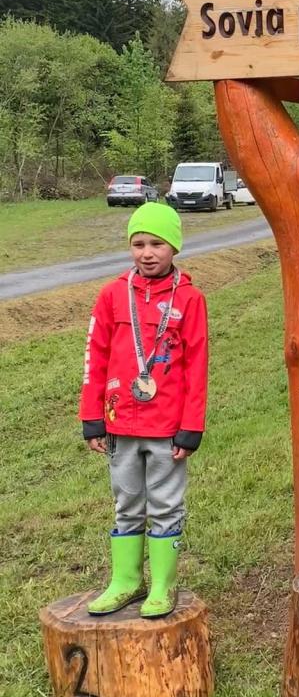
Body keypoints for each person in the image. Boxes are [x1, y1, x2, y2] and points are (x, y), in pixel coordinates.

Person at [79, 204, 208, 618]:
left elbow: (197, 367)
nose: (147, 253)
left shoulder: (189, 299)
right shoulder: (112, 295)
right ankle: (126, 580)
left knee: (166, 505)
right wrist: (92, 417)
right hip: (120, 424)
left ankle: (163, 585)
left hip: (167, 428)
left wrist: (191, 426)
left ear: (175, 247)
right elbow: (95, 357)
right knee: (127, 502)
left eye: (157, 244)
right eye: (138, 244)